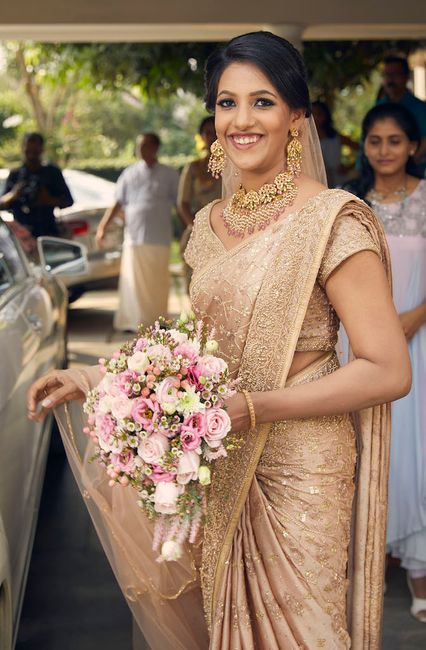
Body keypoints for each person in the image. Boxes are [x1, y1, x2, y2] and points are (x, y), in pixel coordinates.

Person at [27, 32, 411, 650]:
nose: (241, 120)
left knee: (301, 631)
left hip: (300, 466)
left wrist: (255, 408)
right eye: (227, 103)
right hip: (218, 454)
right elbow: (200, 352)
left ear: (296, 118)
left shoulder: (334, 219)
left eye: (262, 102)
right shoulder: (207, 227)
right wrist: (99, 380)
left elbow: (388, 369)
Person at [343, 103, 426, 623]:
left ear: (414, 146)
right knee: (370, 449)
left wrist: (416, 316)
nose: (385, 151)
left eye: (395, 141)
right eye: (375, 141)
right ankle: (365, 567)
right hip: (363, 347)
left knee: (416, 452)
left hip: (419, 343)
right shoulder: (352, 204)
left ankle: (420, 573)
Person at [96, 132, 179, 331]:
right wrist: (102, 227)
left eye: (147, 145)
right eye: (140, 146)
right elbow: (117, 202)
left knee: (157, 283)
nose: (142, 150)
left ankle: (158, 322)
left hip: (159, 237)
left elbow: (180, 203)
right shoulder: (129, 173)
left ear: (156, 148)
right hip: (134, 237)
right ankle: (132, 322)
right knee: (132, 283)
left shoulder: (170, 174)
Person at [0, 132, 73, 237]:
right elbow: (2, 204)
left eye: (35, 151)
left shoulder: (52, 172)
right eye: (28, 150)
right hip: (22, 236)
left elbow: (68, 201)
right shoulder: (16, 174)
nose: (31, 154)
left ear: (41, 150)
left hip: (47, 232)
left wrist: (49, 200)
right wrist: (13, 195)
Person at [177, 116, 222, 290]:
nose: (212, 136)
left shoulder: (235, 164)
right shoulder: (193, 167)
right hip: (198, 230)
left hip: (230, 231)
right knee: (197, 285)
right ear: (202, 136)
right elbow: (183, 203)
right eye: (208, 133)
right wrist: (197, 228)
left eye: (216, 132)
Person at [377, 55, 426, 176]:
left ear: (406, 77)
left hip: (413, 172)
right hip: (381, 172)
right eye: (387, 75)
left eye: (395, 74)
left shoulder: (420, 108)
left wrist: (407, 162)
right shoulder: (378, 107)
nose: (390, 80)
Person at [311, 100, 359, 187]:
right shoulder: (302, 139)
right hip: (315, 182)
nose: (315, 118)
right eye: (312, 114)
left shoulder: (336, 138)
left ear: (325, 116)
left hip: (338, 182)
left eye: (318, 114)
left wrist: (349, 167)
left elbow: (362, 150)